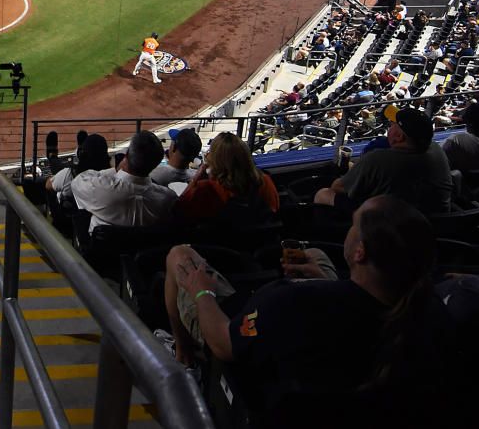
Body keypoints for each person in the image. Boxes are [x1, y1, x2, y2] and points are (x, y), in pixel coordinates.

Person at [165, 196, 447, 425]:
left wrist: (202, 291)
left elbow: (223, 343)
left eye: (354, 224)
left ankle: (184, 353)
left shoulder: (289, 300)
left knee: (179, 255)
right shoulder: (430, 312)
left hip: (244, 351)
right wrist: (327, 283)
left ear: (359, 252)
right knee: (315, 254)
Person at [314, 105, 452, 214]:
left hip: (391, 228)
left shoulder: (378, 159)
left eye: (392, 125)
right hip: (432, 223)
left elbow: (338, 187)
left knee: (323, 193)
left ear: (399, 137)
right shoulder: (437, 150)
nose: (389, 128)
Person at [68, 130, 177, 231]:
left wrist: (115, 170)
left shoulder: (101, 189)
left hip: (102, 250)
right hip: (145, 249)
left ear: (127, 156)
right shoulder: (168, 198)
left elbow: (79, 180)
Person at [175, 132, 278, 223]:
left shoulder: (206, 188)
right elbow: (274, 212)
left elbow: (179, 210)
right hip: (259, 242)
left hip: (217, 243)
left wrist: (196, 178)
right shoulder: (264, 181)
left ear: (215, 160)